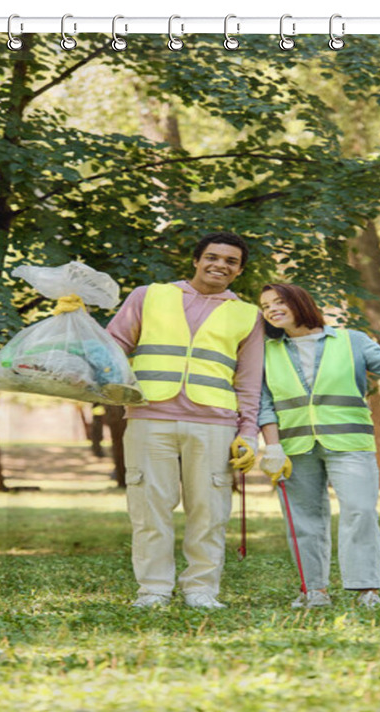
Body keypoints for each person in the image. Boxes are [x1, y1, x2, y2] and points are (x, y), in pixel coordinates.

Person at [107, 233, 263, 609]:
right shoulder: (149, 295)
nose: (219, 265)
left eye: (230, 261)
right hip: (149, 416)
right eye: (212, 257)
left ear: (239, 271)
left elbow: (249, 381)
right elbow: (112, 346)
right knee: (149, 507)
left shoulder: (248, 315)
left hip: (215, 423)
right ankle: (154, 589)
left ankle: (201, 589)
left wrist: (248, 432)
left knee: (210, 511)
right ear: (195, 260)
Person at [257, 283, 380, 609]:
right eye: (265, 305)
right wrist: (272, 448)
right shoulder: (263, 351)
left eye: (278, 301)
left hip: (350, 442)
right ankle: (313, 590)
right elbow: (264, 404)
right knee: (302, 518)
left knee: (360, 511)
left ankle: (367, 590)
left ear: (300, 301)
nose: (271, 309)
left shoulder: (351, 340)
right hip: (294, 446)